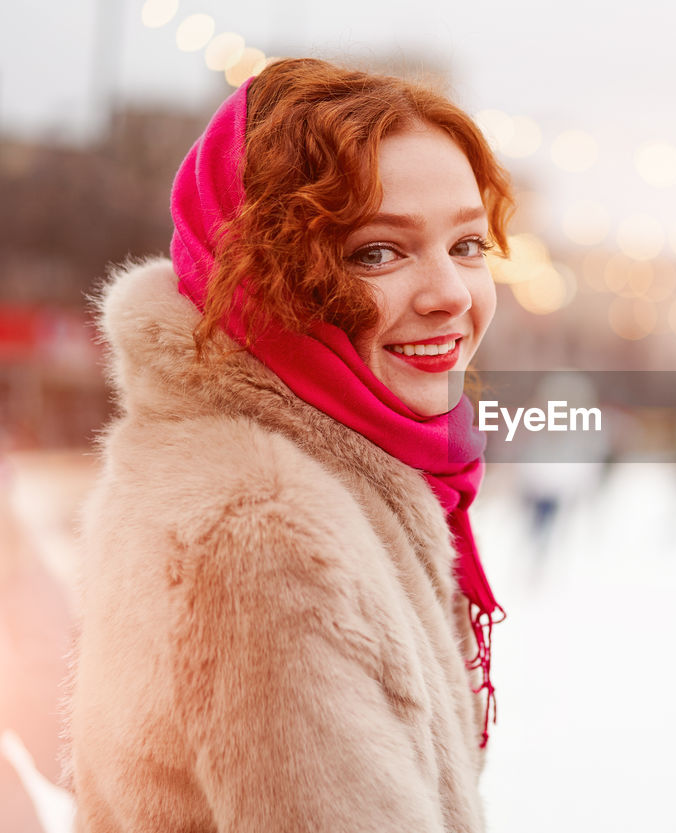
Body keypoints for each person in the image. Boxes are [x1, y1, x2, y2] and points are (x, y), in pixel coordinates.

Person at [65, 58, 514, 831]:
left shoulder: (298, 469)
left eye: (468, 244)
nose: (451, 294)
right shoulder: (265, 530)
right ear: (263, 274)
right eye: (379, 250)